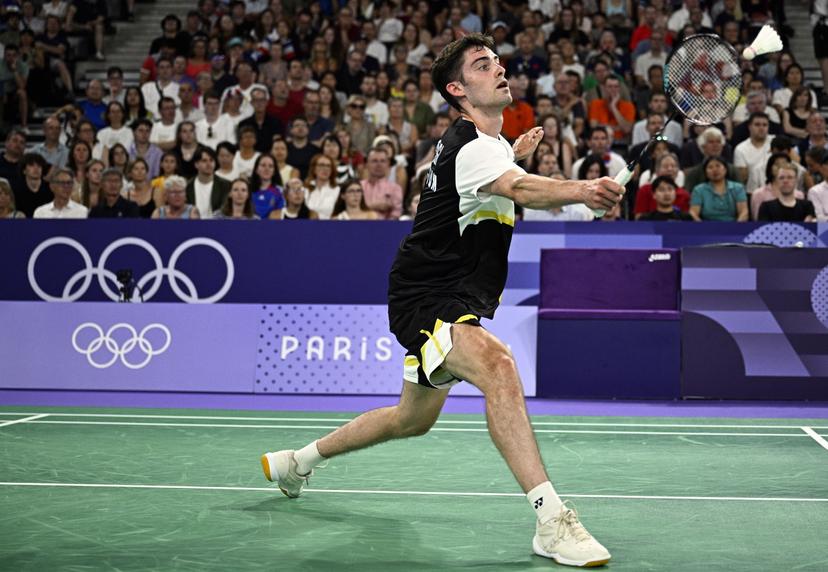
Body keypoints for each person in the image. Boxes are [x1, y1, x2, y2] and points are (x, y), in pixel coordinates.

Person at [260, 33, 619, 569]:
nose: (498, 68)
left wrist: (514, 155)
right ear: (457, 89)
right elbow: (518, 190)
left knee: (411, 419)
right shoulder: (472, 146)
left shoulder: (486, 144)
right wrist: (583, 190)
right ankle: (551, 521)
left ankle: (296, 461)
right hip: (428, 296)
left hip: (444, 292)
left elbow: (501, 178)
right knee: (498, 365)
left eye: (496, 60)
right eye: (482, 65)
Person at [690, 156, 749, 221]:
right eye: (710, 167)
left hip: (733, 227)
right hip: (706, 228)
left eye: (718, 166)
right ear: (706, 173)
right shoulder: (698, 190)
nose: (715, 170)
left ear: (725, 170)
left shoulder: (738, 188)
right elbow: (693, 213)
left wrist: (736, 228)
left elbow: (744, 212)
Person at [186, 146, 229, 220]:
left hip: (217, 226)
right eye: (204, 161)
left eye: (211, 160)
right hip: (192, 226)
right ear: (196, 164)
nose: (209, 164)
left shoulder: (226, 185)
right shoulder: (187, 186)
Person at [360, 146, 403, 219]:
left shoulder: (395, 188)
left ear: (388, 164)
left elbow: (396, 214)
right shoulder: (359, 186)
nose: (378, 165)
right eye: (374, 161)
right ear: (366, 164)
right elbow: (353, 211)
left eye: (382, 161)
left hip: (387, 227)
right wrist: (376, 206)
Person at [16, 153, 53, 218]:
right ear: (24, 170)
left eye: (39, 166)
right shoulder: (16, 189)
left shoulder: (51, 188)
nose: (36, 168)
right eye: (31, 165)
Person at [304, 153, 339, 220]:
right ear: (314, 169)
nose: (325, 168)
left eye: (328, 166)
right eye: (321, 165)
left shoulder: (337, 190)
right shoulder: (305, 189)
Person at [249, 154, 284, 219]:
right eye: (263, 165)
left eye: (270, 166)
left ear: (274, 171)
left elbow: (281, 213)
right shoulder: (247, 190)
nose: (267, 169)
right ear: (256, 169)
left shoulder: (279, 191)